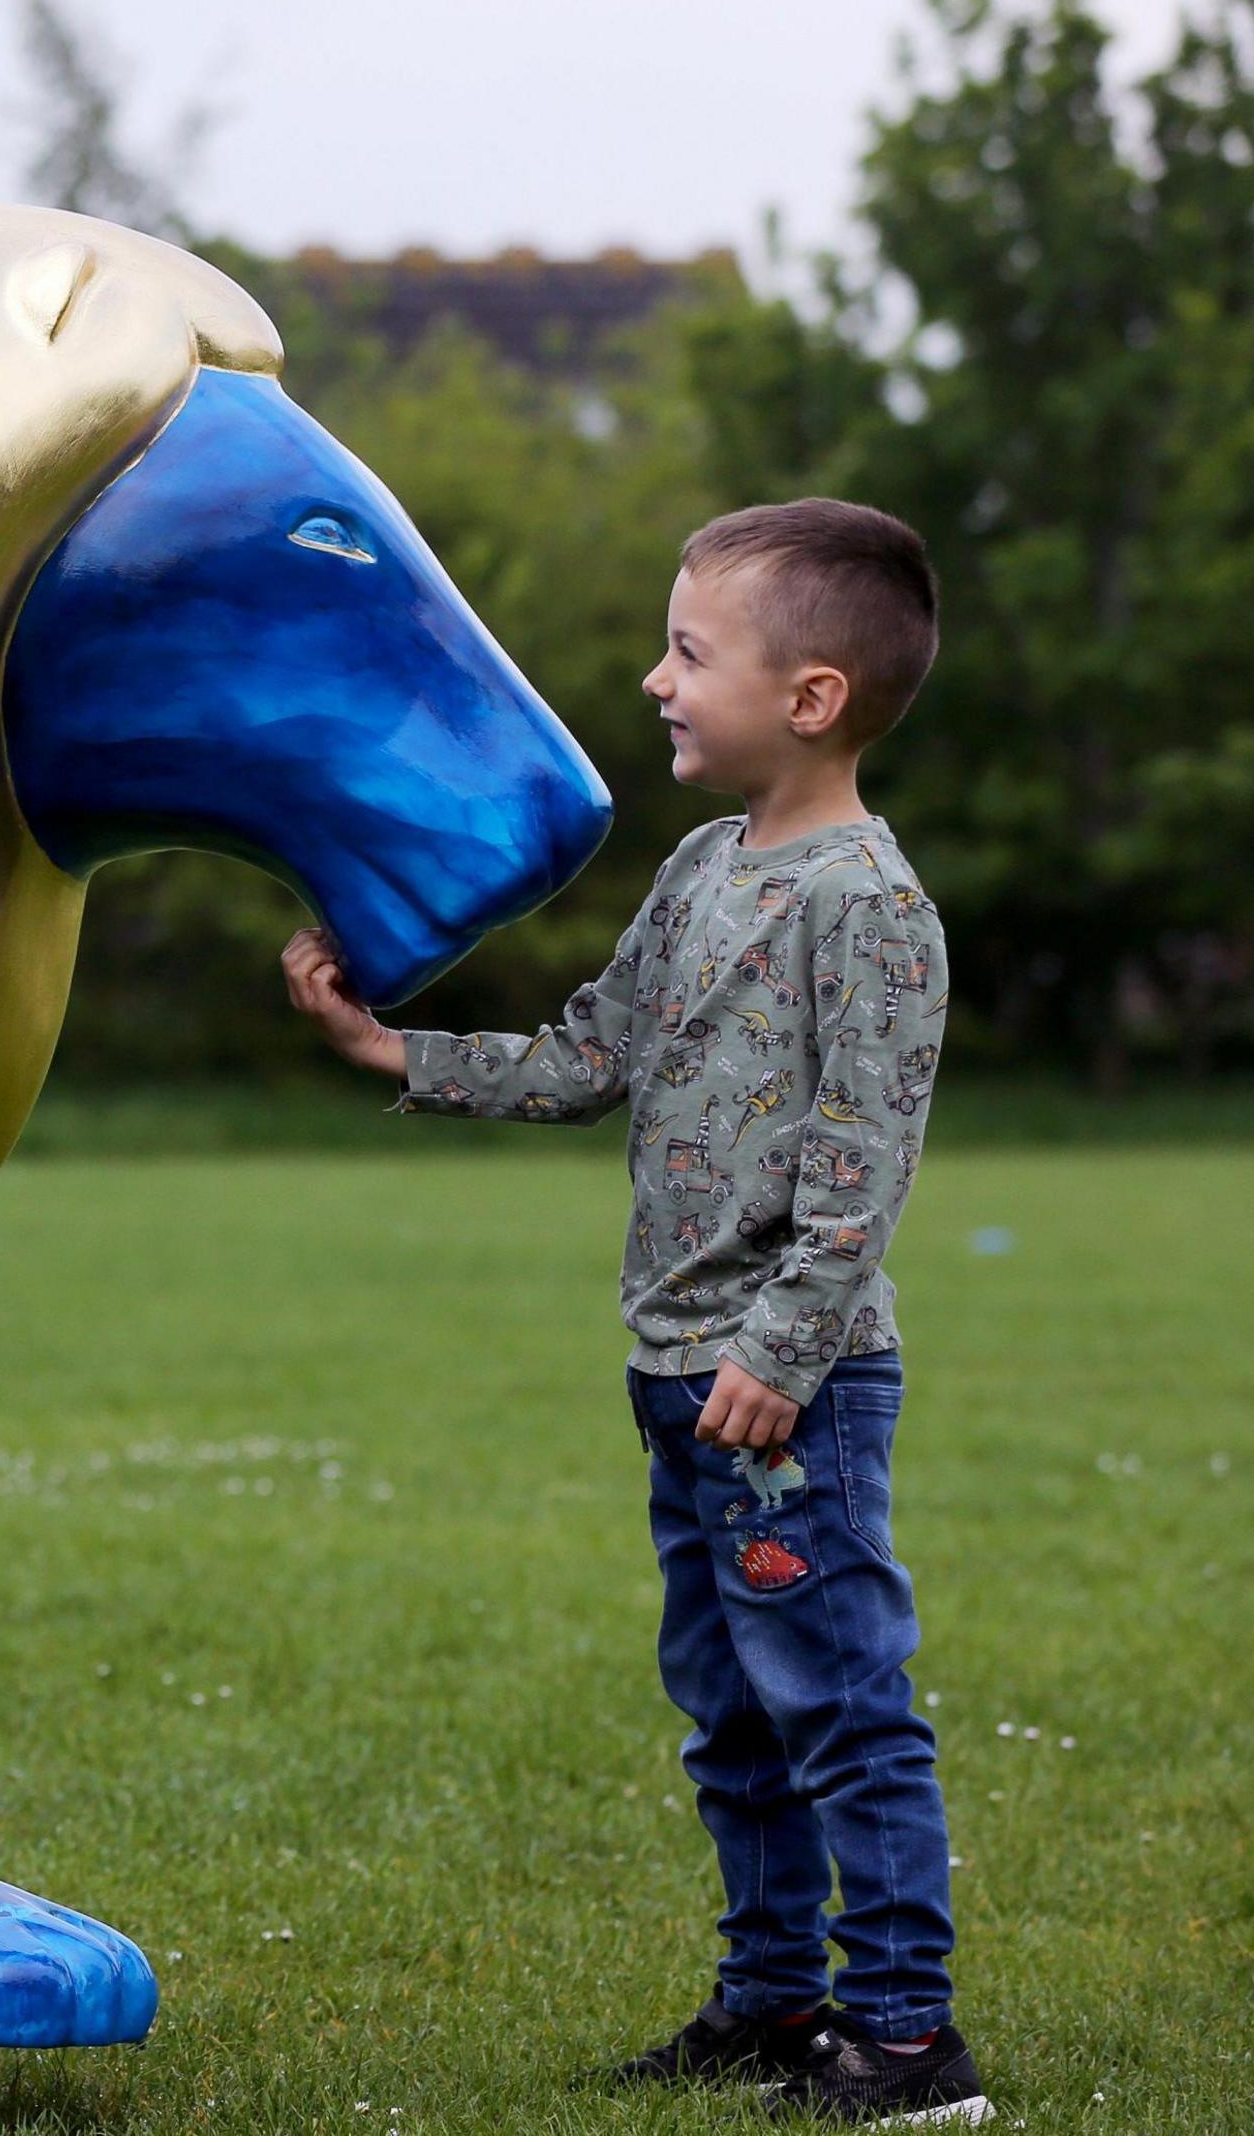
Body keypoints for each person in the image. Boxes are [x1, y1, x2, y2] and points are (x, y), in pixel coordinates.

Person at [282, 500, 987, 2127]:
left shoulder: (867, 908)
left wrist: (780, 1350)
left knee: (840, 1711)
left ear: (809, 697)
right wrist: (400, 1054)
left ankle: (904, 2038)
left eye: (690, 652)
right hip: (678, 1380)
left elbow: (861, 1164)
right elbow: (598, 1052)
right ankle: (773, 2003)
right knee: (733, 1718)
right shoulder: (699, 871)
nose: (657, 679)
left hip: (782, 1392)